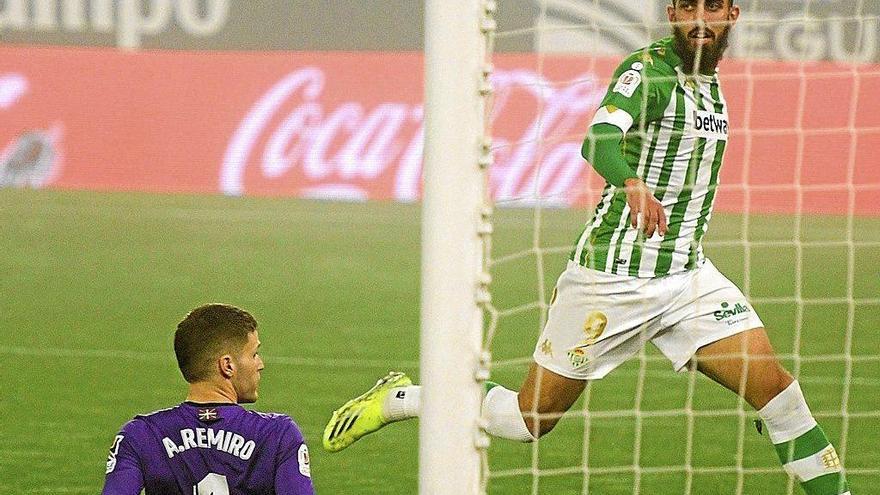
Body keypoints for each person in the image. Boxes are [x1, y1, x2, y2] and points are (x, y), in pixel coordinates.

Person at [323, 1, 853, 494]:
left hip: (688, 278)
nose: (699, 18)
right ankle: (401, 399)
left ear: (732, 14)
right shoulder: (648, 72)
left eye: (711, 6)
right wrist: (631, 183)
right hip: (611, 279)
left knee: (780, 395)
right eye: (687, 5)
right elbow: (598, 138)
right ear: (671, 12)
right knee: (530, 420)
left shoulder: (709, 84)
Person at [102, 304, 315, 495]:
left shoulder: (141, 435)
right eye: (254, 354)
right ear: (228, 365)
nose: (260, 364)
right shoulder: (277, 435)